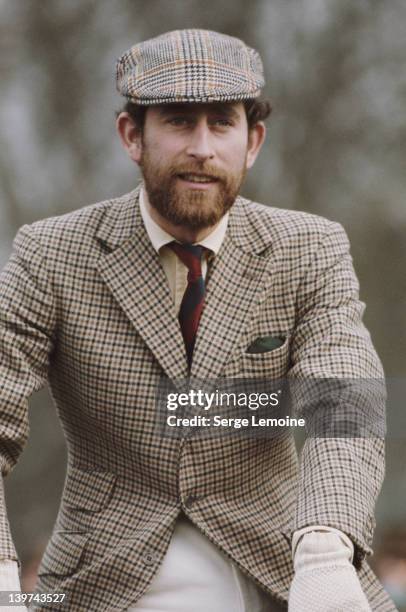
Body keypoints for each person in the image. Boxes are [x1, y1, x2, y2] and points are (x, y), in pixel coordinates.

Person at [0, 29, 396, 611]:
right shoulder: (51, 253)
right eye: (180, 121)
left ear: (253, 140)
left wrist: (326, 551)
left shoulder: (310, 248)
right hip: (97, 580)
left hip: (282, 564)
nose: (202, 148)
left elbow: (343, 402)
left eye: (222, 123)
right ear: (132, 135)